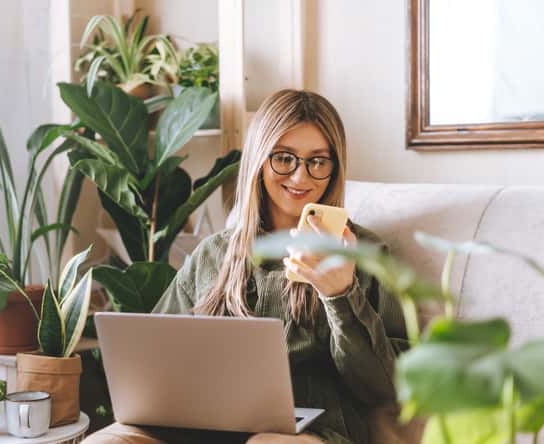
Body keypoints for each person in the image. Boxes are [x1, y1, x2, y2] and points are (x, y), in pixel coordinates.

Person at [84, 89, 408, 444]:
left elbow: (385, 389)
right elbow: (152, 358)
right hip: (203, 424)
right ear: (259, 160)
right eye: (284, 159)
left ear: (334, 167)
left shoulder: (364, 253)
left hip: (313, 430)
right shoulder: (214, 254)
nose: (301, 178)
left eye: (317, 161)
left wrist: (341, 294)